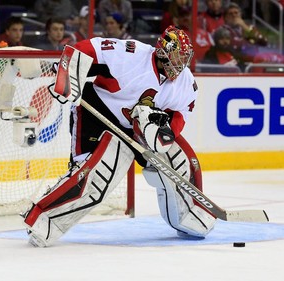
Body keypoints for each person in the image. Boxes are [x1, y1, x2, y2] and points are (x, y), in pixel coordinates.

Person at [22, 26, 217, 247]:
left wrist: (165, 134)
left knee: (177, 158)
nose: (181, 64)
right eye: (176, 57)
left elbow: (179, 116)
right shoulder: (132, 56)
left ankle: (189, 214)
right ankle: (42, 218)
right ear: (162, 52)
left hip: (138, 129)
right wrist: (68, 73)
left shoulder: (186, 83)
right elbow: (88, 48)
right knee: (97, 177)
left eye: (184, 58)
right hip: (97, 114)